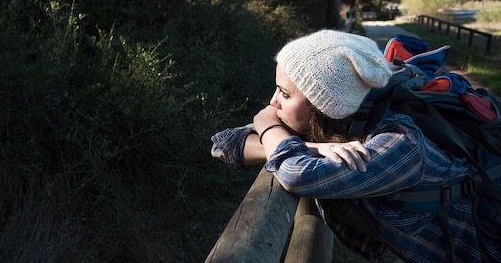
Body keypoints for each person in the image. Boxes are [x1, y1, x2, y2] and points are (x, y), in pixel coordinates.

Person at [211, 29, 501, 263]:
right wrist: (311, 147)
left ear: (322, 107)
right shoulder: (328, 126)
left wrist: (266, 124)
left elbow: (297, 174)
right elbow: (223, 144)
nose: (272, 103)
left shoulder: (400, 144)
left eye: (284, 94)